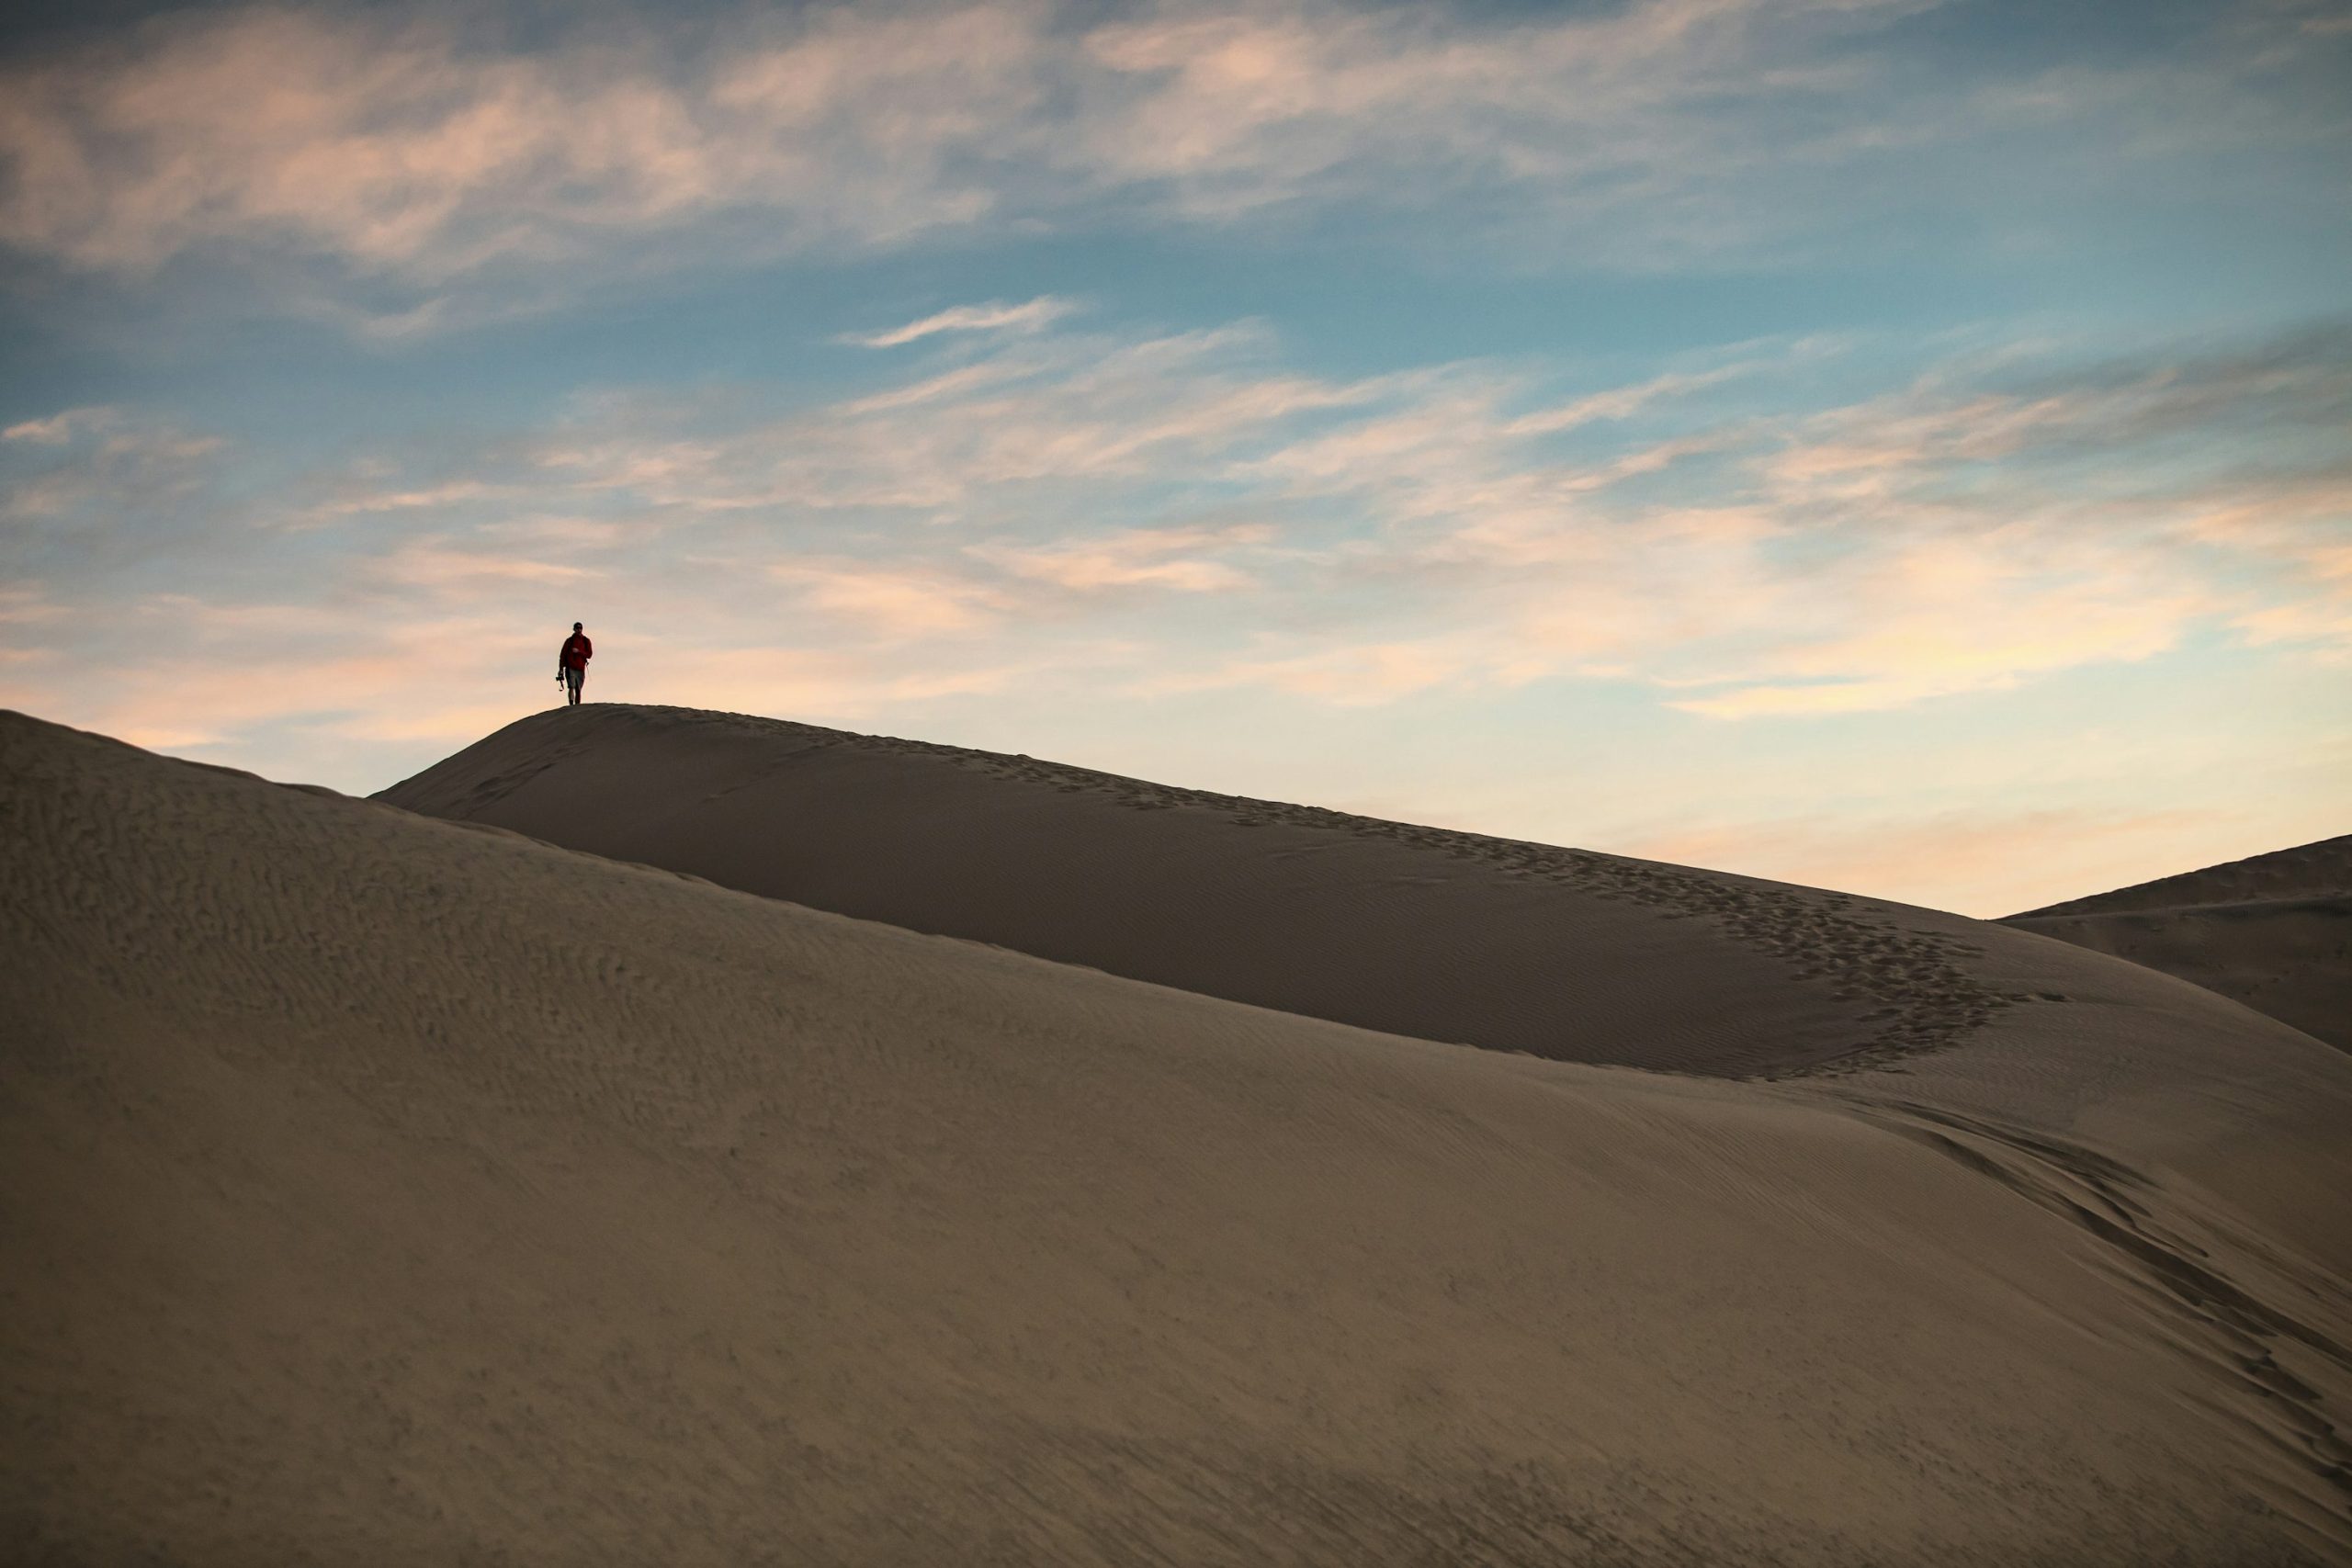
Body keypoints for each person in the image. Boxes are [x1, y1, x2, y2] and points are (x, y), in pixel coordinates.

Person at [557, 622, 593, 705]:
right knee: (571, 686)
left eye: (580, 628)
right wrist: (561, 669)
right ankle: (571, 705)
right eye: (577, 628)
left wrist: (579, 651)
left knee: (578, 689)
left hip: (580, 668)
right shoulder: (569, 641)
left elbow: (589, 655)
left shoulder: (586, 641)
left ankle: (577, 706)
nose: (579, 630)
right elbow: (562, 655)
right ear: (574, 629)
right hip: (570, 667)